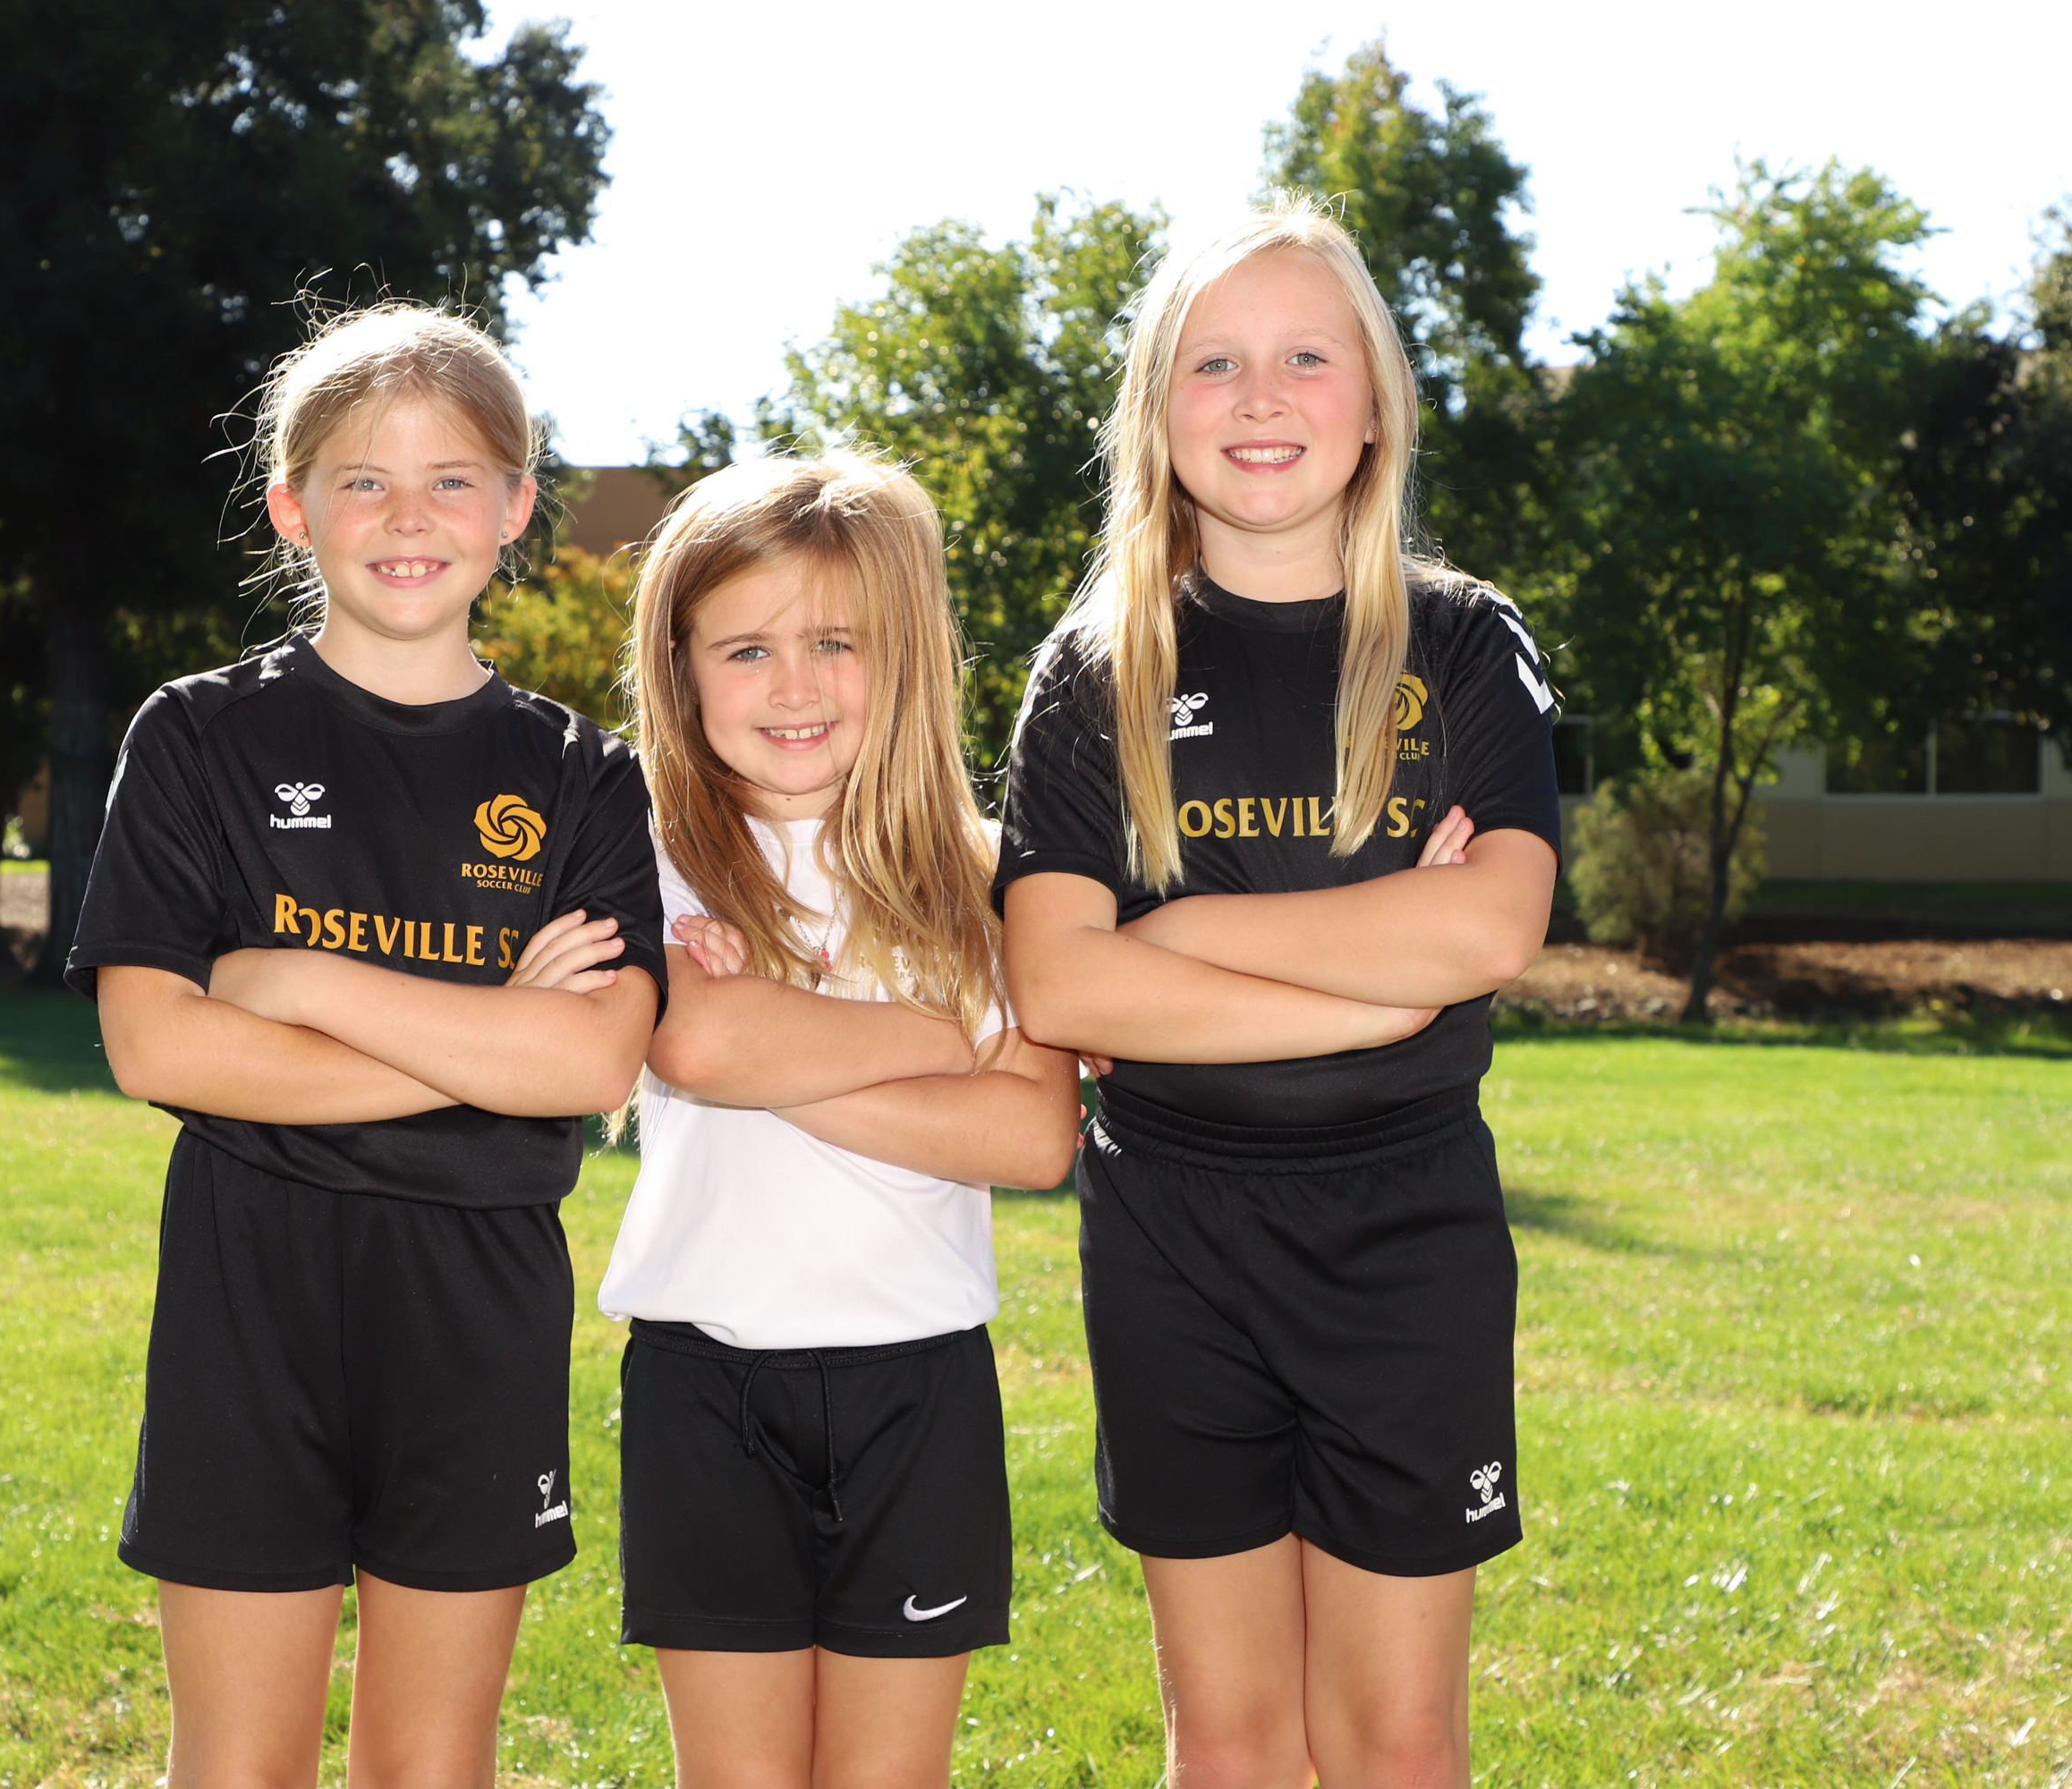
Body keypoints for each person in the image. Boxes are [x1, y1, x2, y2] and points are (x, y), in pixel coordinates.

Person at [996, 196, 1562, 1789]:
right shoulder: (1095, 669)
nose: (1261, 399)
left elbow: (1492, 929)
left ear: (1374, 400)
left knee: (1395, 1740)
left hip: (1408, 1234)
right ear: (1156, 411)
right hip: (1173, 1238)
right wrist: (1376, 987)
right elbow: (1056, 980)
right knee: (1232, 1741)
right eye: (1214, 362)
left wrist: (1177, 940)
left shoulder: (1461, 642)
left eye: (1308, 357)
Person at [65, 301, 665, 1789]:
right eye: (364, 481)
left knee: (432, 1765)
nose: (410, 518)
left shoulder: (584, 778)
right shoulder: (198, 737)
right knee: (237, 1764)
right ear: (293, 508)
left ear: (516, 506)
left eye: (453, 479)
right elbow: (158, 1047)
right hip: (247, 1300)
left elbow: (592, 1069)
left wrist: (295, 979)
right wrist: (492, 1038)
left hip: (479, 1315)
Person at [598, 453, 1081, 1789]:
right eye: (746, 649)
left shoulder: (983, 874)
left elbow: (1032, 1139)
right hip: (704, 1377)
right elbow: (699, 1043)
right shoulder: (645, 852)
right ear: (682, 668)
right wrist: (941, 1043)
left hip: (919, 1384)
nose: (794, 688)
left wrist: (781, 1045)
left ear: (903, 653)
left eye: (835, 643)